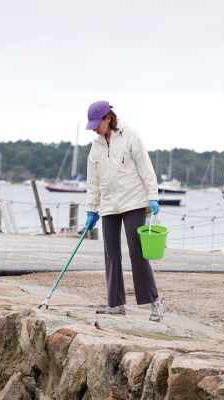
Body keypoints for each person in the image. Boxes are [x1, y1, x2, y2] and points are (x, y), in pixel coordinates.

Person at [84, 100, 164, 322]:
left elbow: (145, 166)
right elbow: (93, 181)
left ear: (108, 118)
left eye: (96, 123)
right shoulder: (95, 146)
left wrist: (153, 195)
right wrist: (91, 209)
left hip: (133, 201)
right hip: (109, 204)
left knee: (137, 251)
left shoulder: (130, 135)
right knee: (111, 254)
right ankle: (116, 304)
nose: (93, 128)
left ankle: (155, 303)